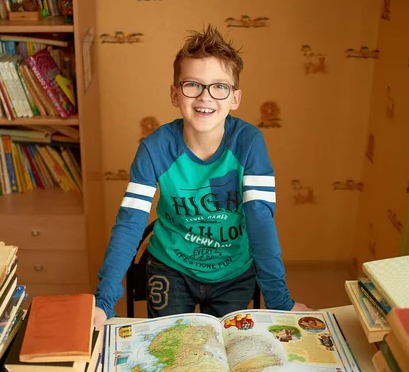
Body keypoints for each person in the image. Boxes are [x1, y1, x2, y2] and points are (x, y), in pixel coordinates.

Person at [93, 25, 310, 328]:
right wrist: (103, 302)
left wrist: (279, 302)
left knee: (226, 355)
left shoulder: (249, 143)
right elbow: (130, 221)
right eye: (192, 85)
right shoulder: (155, 147)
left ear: (235, 98)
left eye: (219, 86)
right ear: (174, 94)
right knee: (171, 351)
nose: (205, 96)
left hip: (233, 272)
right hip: (170, 267)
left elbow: (260, 221)